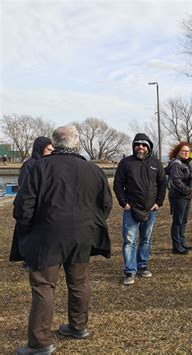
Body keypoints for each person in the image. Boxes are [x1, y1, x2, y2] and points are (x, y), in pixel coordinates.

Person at [11, 126, 112, 354]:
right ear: (77, 143)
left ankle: (40, 342)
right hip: (82, 235)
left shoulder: (38, 167)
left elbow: (22, 207)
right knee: (79, 282)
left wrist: (29, 226)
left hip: (47, 235)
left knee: (44, 286)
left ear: (55, 143)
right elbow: (105, 205)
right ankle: (78, 326)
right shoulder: (93, 170)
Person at [113, 133, 166, 285]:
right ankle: (130, 271)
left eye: (144, 145)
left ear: (149, 147)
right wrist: (124, 203)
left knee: (146, 239)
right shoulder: (126, 163)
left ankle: (142, 265)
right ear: (134, 146)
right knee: (129, 241)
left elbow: (162, 183)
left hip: (151, 210)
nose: (140, 147)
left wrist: (159, 202)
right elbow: (118, 184)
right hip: (131, 209)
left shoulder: (156, 163)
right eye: (137, 144)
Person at [12, 136, 54, 271]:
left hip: (44, 204)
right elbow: (24, 186)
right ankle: (27, 260)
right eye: (48, 149)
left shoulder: (48, 164)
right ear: (40, 148)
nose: (51, 152)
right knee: (28, 233)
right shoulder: (29, 164)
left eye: (52, 149)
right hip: (29, 205)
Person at [167, 141, 192, 254]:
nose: (186, 153)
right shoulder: (176, 164)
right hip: (178, 196)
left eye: (188, 151)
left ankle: (182, 242)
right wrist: (188, 189)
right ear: (178, 152)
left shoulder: (187, 163)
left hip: (186, 196)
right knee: (177, 221)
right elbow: (176, 181)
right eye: (183, 151)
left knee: (184, 220)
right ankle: (176, 246)